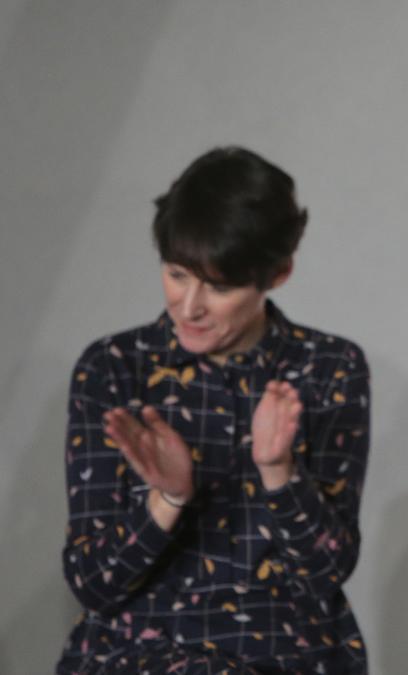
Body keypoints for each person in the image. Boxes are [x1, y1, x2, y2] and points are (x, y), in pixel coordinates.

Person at [57, 147, 370, 674]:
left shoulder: (327, 367)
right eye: (177, 274)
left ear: (279, 273)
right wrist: (168, 497)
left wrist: (279, 472)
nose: (189, 306)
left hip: (280, 655)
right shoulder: (114, 368)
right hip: (135, 659)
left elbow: (325, 573)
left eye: (219, 287)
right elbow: (93, 583)